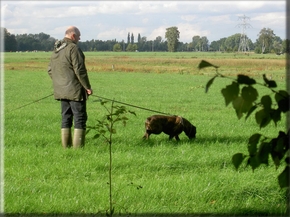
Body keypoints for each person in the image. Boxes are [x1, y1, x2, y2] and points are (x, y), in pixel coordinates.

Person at [47, 26, 93, 148]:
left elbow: (50, 70)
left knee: (66, 118)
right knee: (80, 117)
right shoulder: (73, 48)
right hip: (75, 91)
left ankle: (65, 148)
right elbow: (80, 70)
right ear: (73, 36)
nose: (79, 38)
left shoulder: (57, 49)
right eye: (79, 36)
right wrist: (87, 87)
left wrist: (61, 82)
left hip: (61, 91)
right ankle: (78, 150)